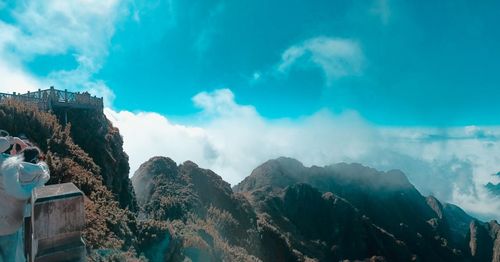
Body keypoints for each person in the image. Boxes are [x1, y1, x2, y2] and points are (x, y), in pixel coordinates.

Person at [0, 134, 49, 262]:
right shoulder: (35, 175)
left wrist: (12, 140)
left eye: (14, 149)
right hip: (12, 226)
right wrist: (40, 161)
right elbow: (45, 171)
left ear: (16, 153)